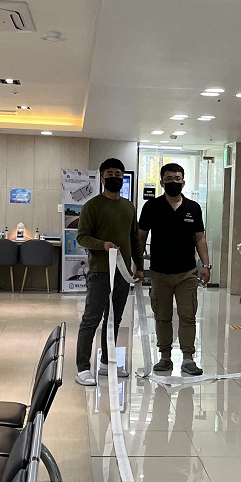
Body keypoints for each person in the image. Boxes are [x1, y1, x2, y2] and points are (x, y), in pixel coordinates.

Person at [75, 158, 144, 386]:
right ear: (102, 178)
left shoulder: (129, 207)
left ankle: (107, 362)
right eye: (110, 174)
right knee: (91, 319)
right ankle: (83, 368)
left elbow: (134, 239)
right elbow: (82, 237)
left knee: (114, 319)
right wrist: (102, 245)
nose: (115, 178)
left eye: (118, 174)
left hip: (122, 272)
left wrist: (139, 266)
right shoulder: (92, 206)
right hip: (100, 272)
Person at [138, 163, 209, 376]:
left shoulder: (193, 208)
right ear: (161, 182)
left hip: (187, 272)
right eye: (169, 179)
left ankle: (188, 359)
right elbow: (141, 237)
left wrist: (206, 265)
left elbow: (200, 238)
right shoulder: (152, 207)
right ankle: (165, 357)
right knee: (162, 316)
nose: (173, 182)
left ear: (183, 181)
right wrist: (138, 265)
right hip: (159, 272)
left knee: (188, 315)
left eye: (177, 179)